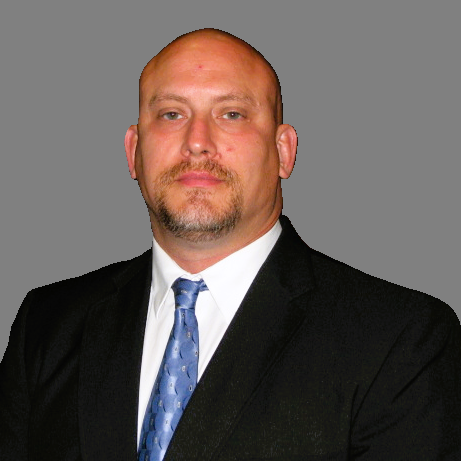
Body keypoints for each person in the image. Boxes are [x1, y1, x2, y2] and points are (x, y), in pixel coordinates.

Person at [1, 28, 460, 461]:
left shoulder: (400, 339)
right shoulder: (47, 325)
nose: (197, 142)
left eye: (231, 114)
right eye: (172, 114)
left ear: (284, 151)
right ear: (133, 150)